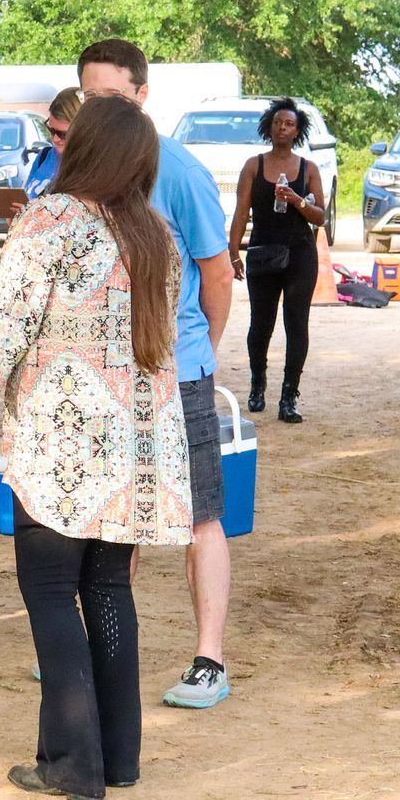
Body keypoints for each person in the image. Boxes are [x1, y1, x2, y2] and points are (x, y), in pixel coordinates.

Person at [0, 94, 192, 800]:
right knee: (107, 589)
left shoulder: (51, 219)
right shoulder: (157, 235)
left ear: (85, 148)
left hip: (63, 438)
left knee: (48, 591)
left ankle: (72, 762)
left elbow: (5, 319)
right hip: (135, 443)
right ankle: (118, 757)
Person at [77, 38, 237, 710]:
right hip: (107, 376)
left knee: (199, 517)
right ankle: (98, 649)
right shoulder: (78, 170)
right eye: (92, 97)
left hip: (178, 373)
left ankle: (210, 661)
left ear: (143, 96)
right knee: (113, 517)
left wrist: (199, 354)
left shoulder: (181, 171)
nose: (102, 108)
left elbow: (218, 273)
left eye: (114, 96)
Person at [229, 97, 326, 425]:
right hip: (263, 252)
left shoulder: (308, 169)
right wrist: (233, 252)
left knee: (296, 324)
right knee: (261, 324)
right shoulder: (253, 166)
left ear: (298, 131)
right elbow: (241, 212)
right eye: (277, 123)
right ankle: (258, 382)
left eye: (289, 124)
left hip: (300, 254)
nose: (282, 128)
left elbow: (320, 216)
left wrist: (298, 201)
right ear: (268, 127)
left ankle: (289, 396)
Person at [23, 87, 83, 200]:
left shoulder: (94, 168)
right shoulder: (44, 156)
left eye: (63, 134)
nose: (55, 139)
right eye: (51, 130)